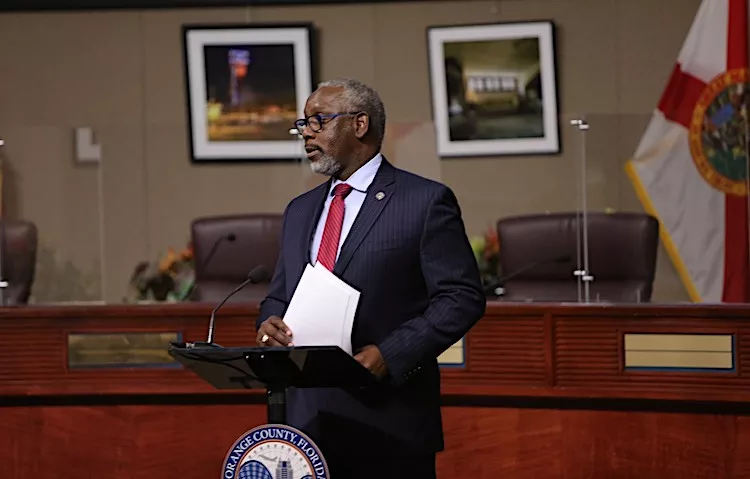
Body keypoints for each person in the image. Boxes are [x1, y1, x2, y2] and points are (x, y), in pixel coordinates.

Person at [256, 78, 486, 479]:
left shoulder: (424, 202)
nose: (306, 133)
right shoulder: (299, 210)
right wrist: (268, 323)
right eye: (303, 123)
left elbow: (461, 297)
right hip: (305, 427)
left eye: (318, 120)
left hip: (387, 422)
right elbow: (280, 296)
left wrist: (390, 355)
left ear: (359, 124)